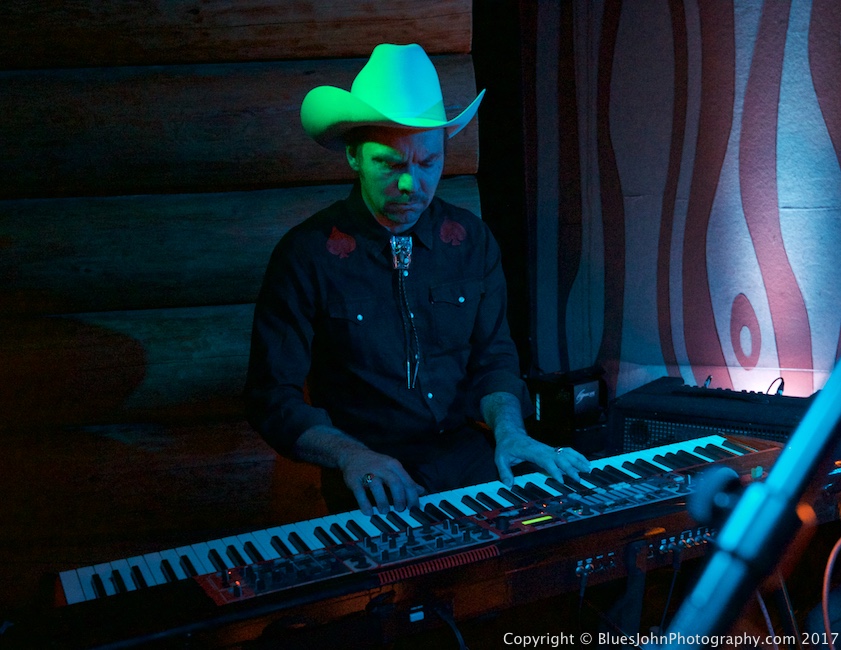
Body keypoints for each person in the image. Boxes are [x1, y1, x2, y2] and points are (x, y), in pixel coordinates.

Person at [245, 43, 589, 516]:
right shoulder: (305, 255)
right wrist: (351, 456)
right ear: (354, 156)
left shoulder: (470, 240)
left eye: (428, 164)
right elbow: (272, 398)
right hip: (372, 473)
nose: (411, 185)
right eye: (390, 164)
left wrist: (512, 433)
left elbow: (494, 359)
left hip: (468, 458)